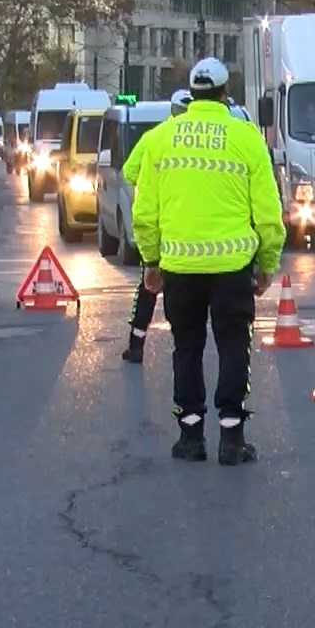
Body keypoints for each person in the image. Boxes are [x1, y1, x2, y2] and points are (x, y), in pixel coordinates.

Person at [133, 59, 285, 464]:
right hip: (232, 268)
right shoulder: (246, 137)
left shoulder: (161, 139)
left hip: (179, 267)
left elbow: (144, 212)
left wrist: (151, 260)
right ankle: (232, 439)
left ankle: (190, 436)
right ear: (224, 92)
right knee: (234, 348)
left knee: (186, 349)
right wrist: (267, 263)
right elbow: (269, 213)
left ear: (191, 91)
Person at [119, 89, 193, 364]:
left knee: (149, 288)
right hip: (191, 228)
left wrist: (152, 182)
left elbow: (129, 172)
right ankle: (188, 345)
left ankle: (137, 345)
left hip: (160, 228)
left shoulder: (155, 138)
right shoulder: (203, 142)